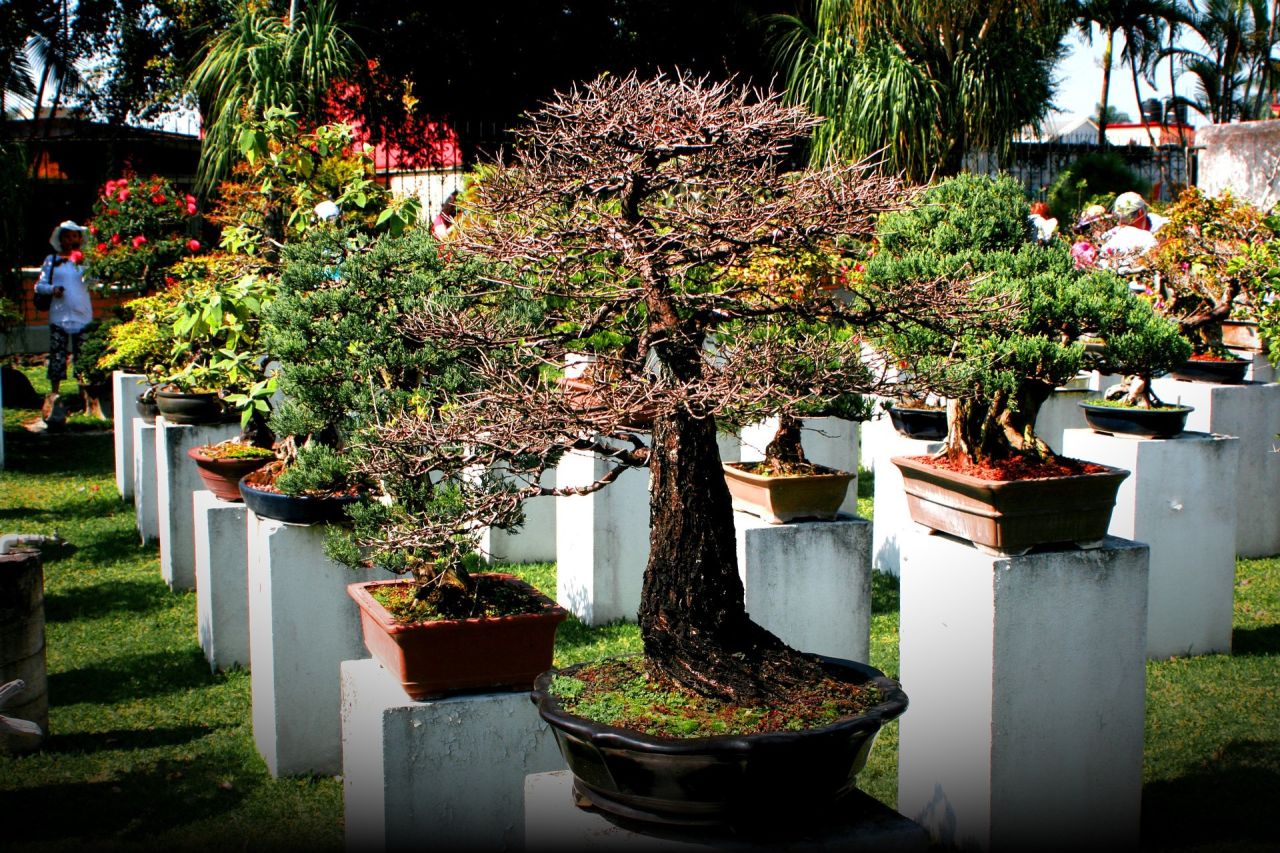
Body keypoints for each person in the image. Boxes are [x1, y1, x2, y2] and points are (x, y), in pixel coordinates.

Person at [34, 220, 93, 397]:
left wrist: (88, 266)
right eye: (67, 237)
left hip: (82, 313)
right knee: (58, 355)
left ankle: (84, 395)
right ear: (61, 239)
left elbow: (95, 282)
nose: (70, 240)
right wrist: (53, 289)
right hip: (59, 314)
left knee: (83, 356)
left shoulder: (86, 260)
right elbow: (39, 285)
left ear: (79, 238)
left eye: (74, 236)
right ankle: (55, 394)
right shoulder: (51, 260)